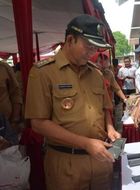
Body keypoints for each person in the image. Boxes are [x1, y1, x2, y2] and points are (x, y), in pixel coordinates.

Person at [24, 14, 121, 190]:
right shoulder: (43, 73)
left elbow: (105, 107)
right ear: (70, 40)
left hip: (100, 161)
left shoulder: (96, 73)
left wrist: (110, 128)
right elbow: (38, 123)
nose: (92, 53)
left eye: (95, 48)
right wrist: (85, 143)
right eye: (88, 46)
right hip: (66, 164)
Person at [0, 61, 22, 145]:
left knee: (10, 154)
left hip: (7, 127)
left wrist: (15, 121)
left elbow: (15, 93)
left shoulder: (3, 67)